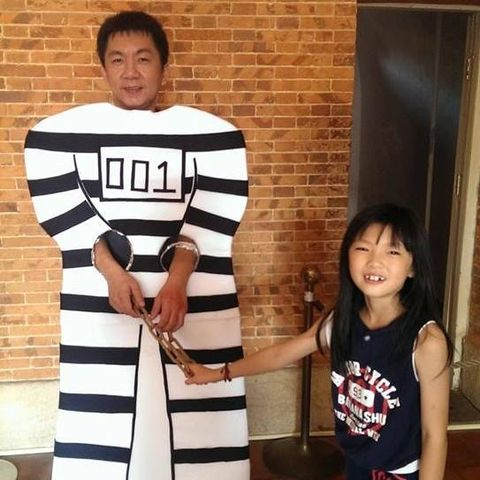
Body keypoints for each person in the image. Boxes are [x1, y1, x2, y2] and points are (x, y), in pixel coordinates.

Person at [24, 10, 250, 480]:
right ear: (103, 68)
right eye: (118, 59)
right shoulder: (60, 137)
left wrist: (178, 282)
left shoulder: (214, 138)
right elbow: (65, 213)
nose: (131, 72)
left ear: (164, 66)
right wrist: (111, 271)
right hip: (100, 309)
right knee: (101, 416)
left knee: (198, 413)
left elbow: (210, 220)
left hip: (188, 301)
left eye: (143, 59)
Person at [186, 203, 453, 480]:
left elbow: (434, 436)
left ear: (413, 267)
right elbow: (281, 354)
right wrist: (216, 374)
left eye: (393, 251)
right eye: (363, 248)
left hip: (399, 472)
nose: (375, 261)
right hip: (357, 460)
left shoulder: (426, 340)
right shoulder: (342, 320)